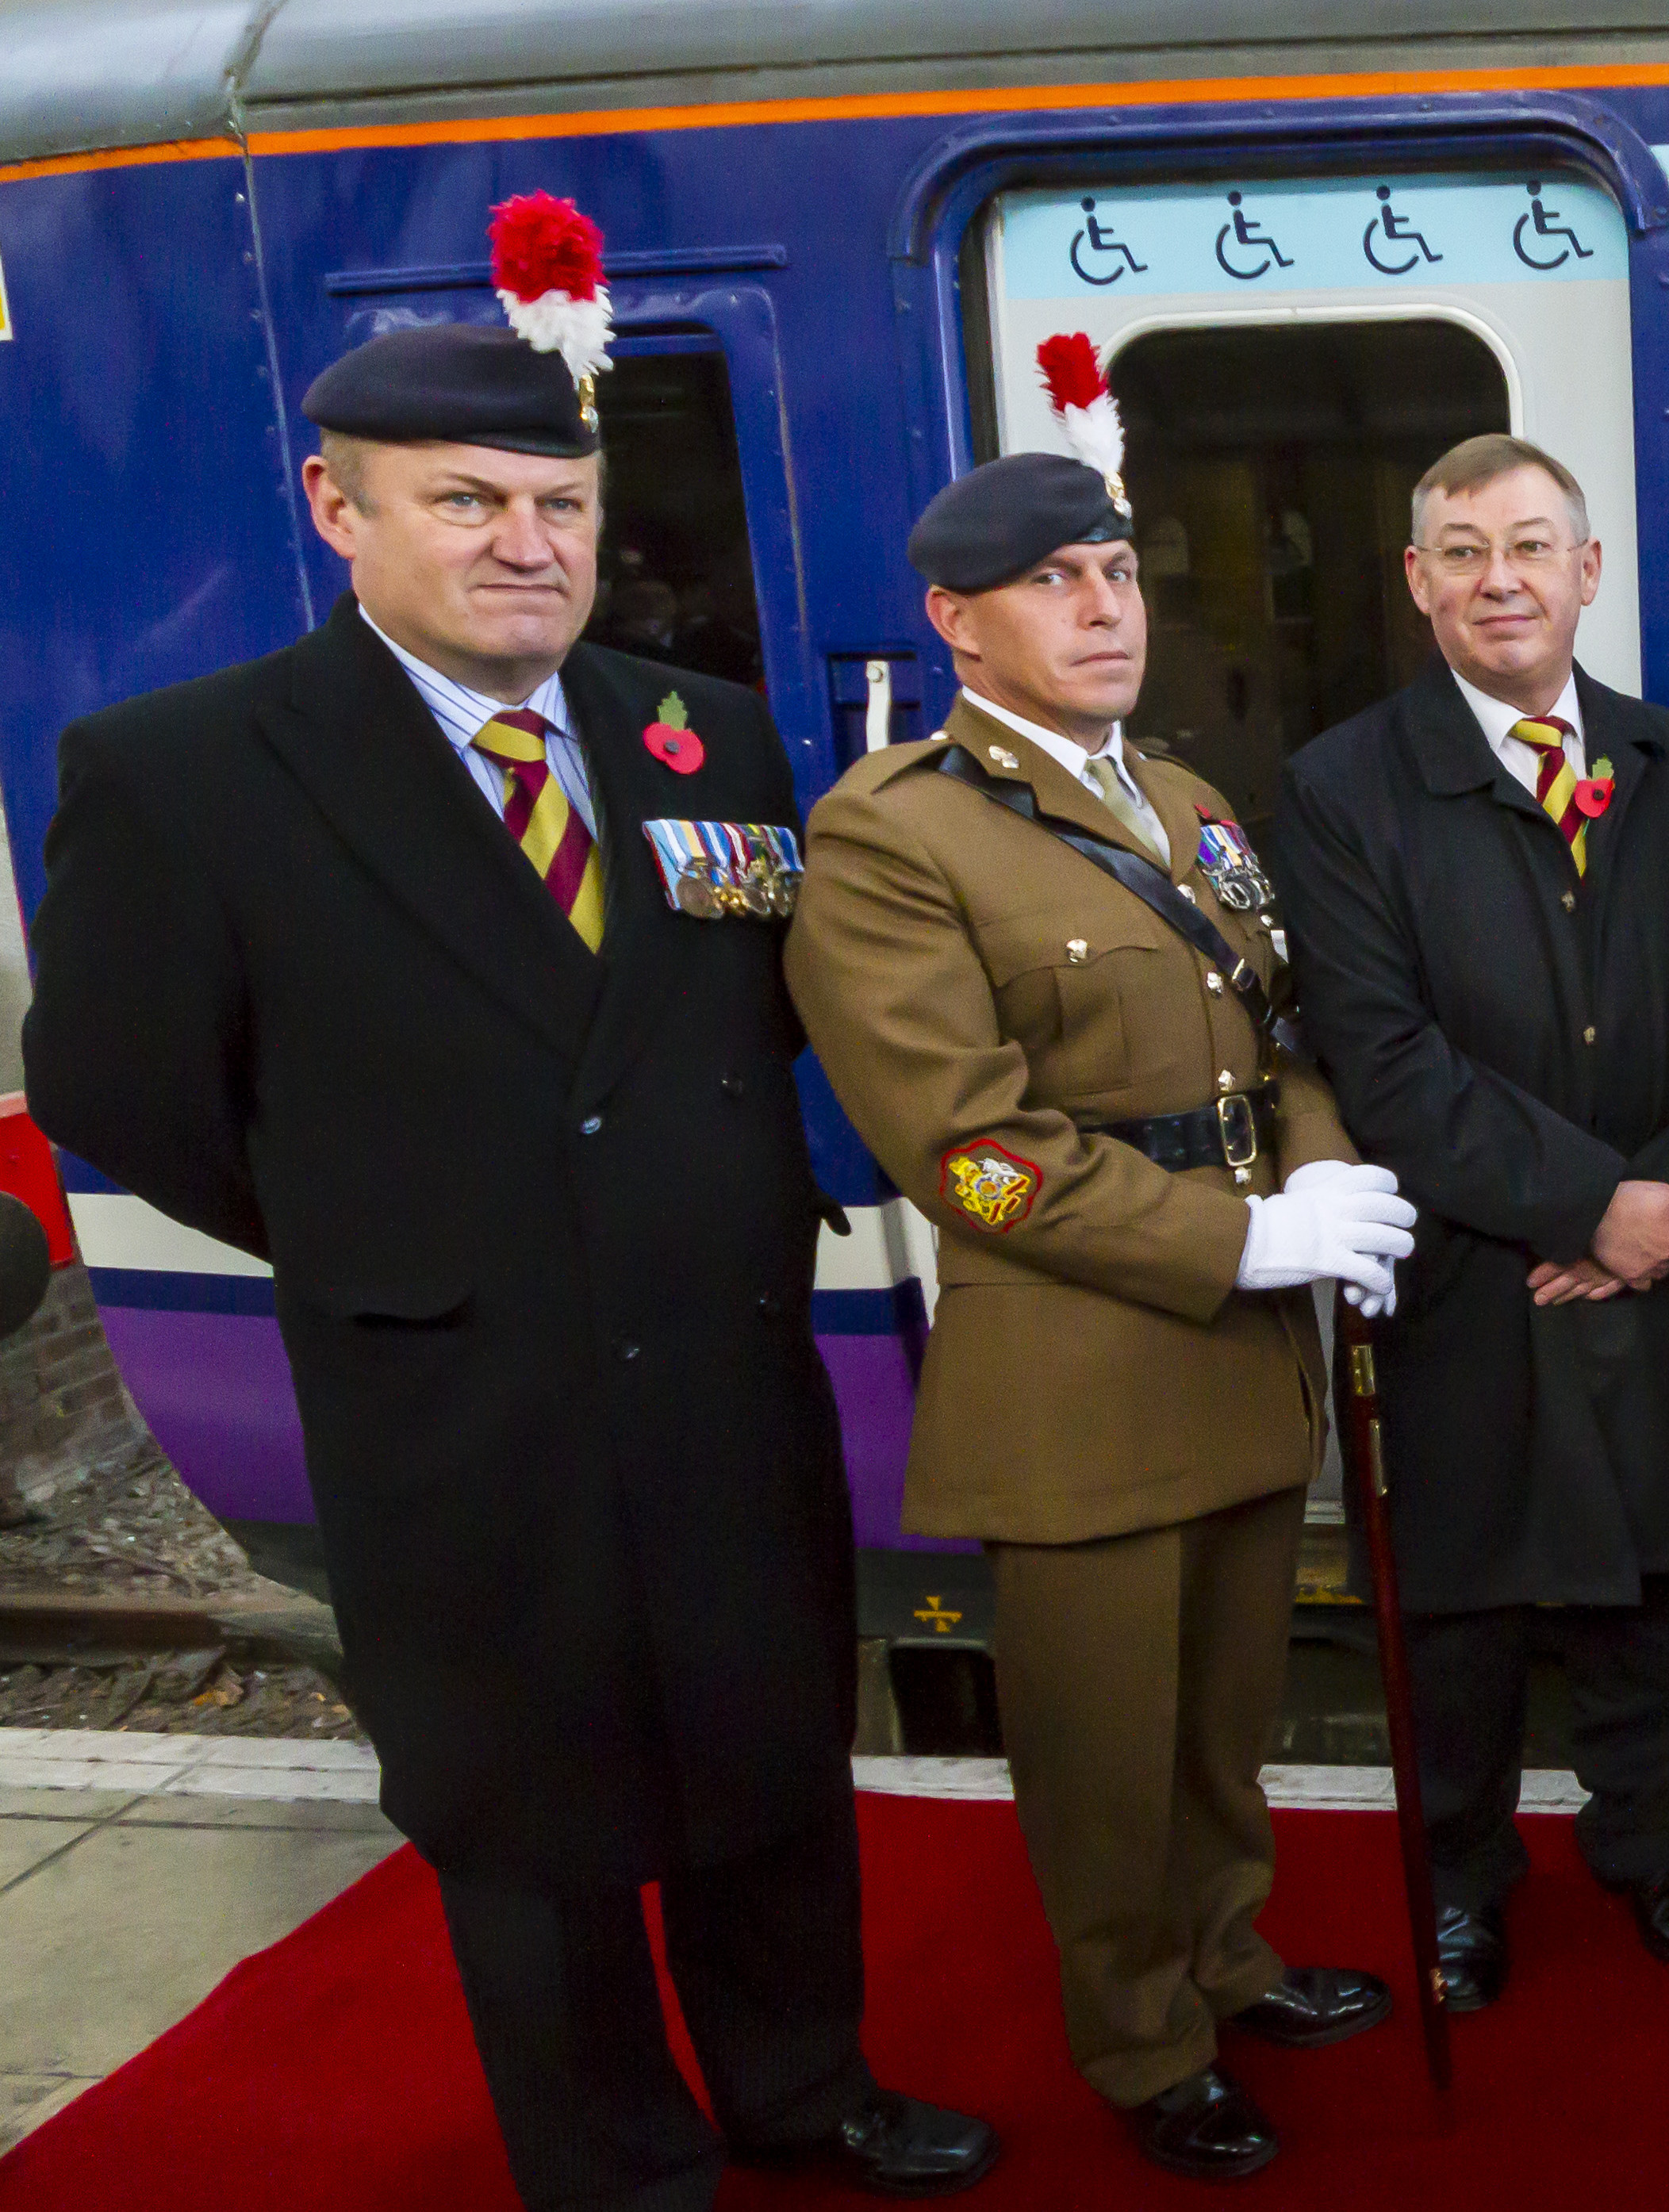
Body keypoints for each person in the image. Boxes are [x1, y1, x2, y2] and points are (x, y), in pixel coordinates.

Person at [19, 197, 996, 2210]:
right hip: (461, 1406)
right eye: (463, 501)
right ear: (334, 507)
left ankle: (802, 2093)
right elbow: (124, 1089)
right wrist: (401, 1244)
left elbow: (744, 1012)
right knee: (532, 1825)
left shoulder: (690, 731)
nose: (528, 541)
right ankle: (623, 2169)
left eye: (557, 498)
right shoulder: (187, 770)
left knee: (767, 1767)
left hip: (726, 1379)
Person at [783, 394, 1419, 2183]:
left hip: (1234, 1354)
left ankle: (1229, 1955)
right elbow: (965, 1145)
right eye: (1053, 582)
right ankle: (1143, 2044)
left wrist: (1314, 1161)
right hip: (1076, 1373)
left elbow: (1266, 1027)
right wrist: (1237, 1238)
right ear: (957, 623)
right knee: (1102, 1750)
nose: (1102, 607)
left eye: (1118, 572)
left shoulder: (1190, 797)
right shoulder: (891, 834)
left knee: (1225, 1716)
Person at [1267, 433, 1669, 2010]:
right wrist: (1581, 1200)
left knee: (1652, 1576)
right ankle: (1462, 1879)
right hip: (1468, 1270)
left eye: (1531, 546)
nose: (1501, 579)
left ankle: (1643, 1850)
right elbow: (1382, 1056)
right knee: (1459, 1600)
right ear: (1418, 583)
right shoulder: (1339, 791)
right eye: (1463, 550)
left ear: (1587, 571)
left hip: (1662, 1257)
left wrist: (1658, 1206)